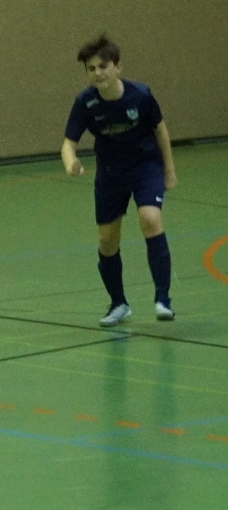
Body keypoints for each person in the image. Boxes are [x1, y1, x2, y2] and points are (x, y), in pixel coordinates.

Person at [61, 35, 178, 327]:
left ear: (117, 67)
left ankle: (163, 299)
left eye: (103, 66)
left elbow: (160, 130)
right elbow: (68, 143)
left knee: (150, 219)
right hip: (111, 173)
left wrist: (169, 169)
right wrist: (70, 162)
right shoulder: (85, 102)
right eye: (91, 68)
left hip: (145, 167)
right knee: (107, 240)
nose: (98, 73)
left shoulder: (141, 95)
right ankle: (118, 303)